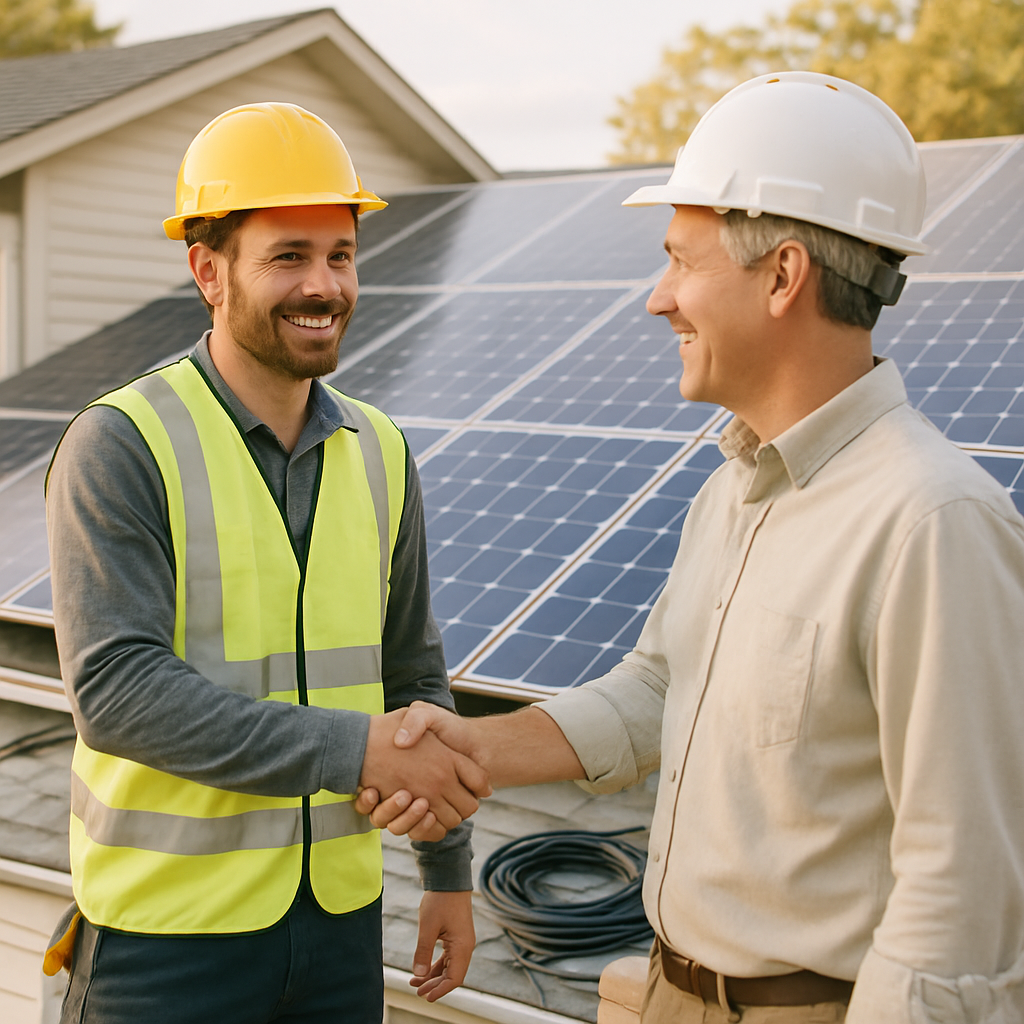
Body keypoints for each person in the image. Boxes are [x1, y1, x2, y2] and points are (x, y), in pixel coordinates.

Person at [358, 72, 1024, 1022]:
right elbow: (661, 689)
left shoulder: (933, 522)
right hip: (672, 991)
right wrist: (472, 748)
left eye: (680, 260)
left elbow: (961, 894)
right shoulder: (732, 491)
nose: (656, 299)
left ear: (783, 275)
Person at [44, 102, 490, 1024]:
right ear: (209, 272)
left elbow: (410, 672)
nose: (324, 286)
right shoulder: (121, 445)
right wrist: (351, 749)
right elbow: (119, 692)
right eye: (289, 256)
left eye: (340, 255)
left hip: (336, 932)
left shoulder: (383, 451)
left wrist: (448, 868)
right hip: (165, 947)